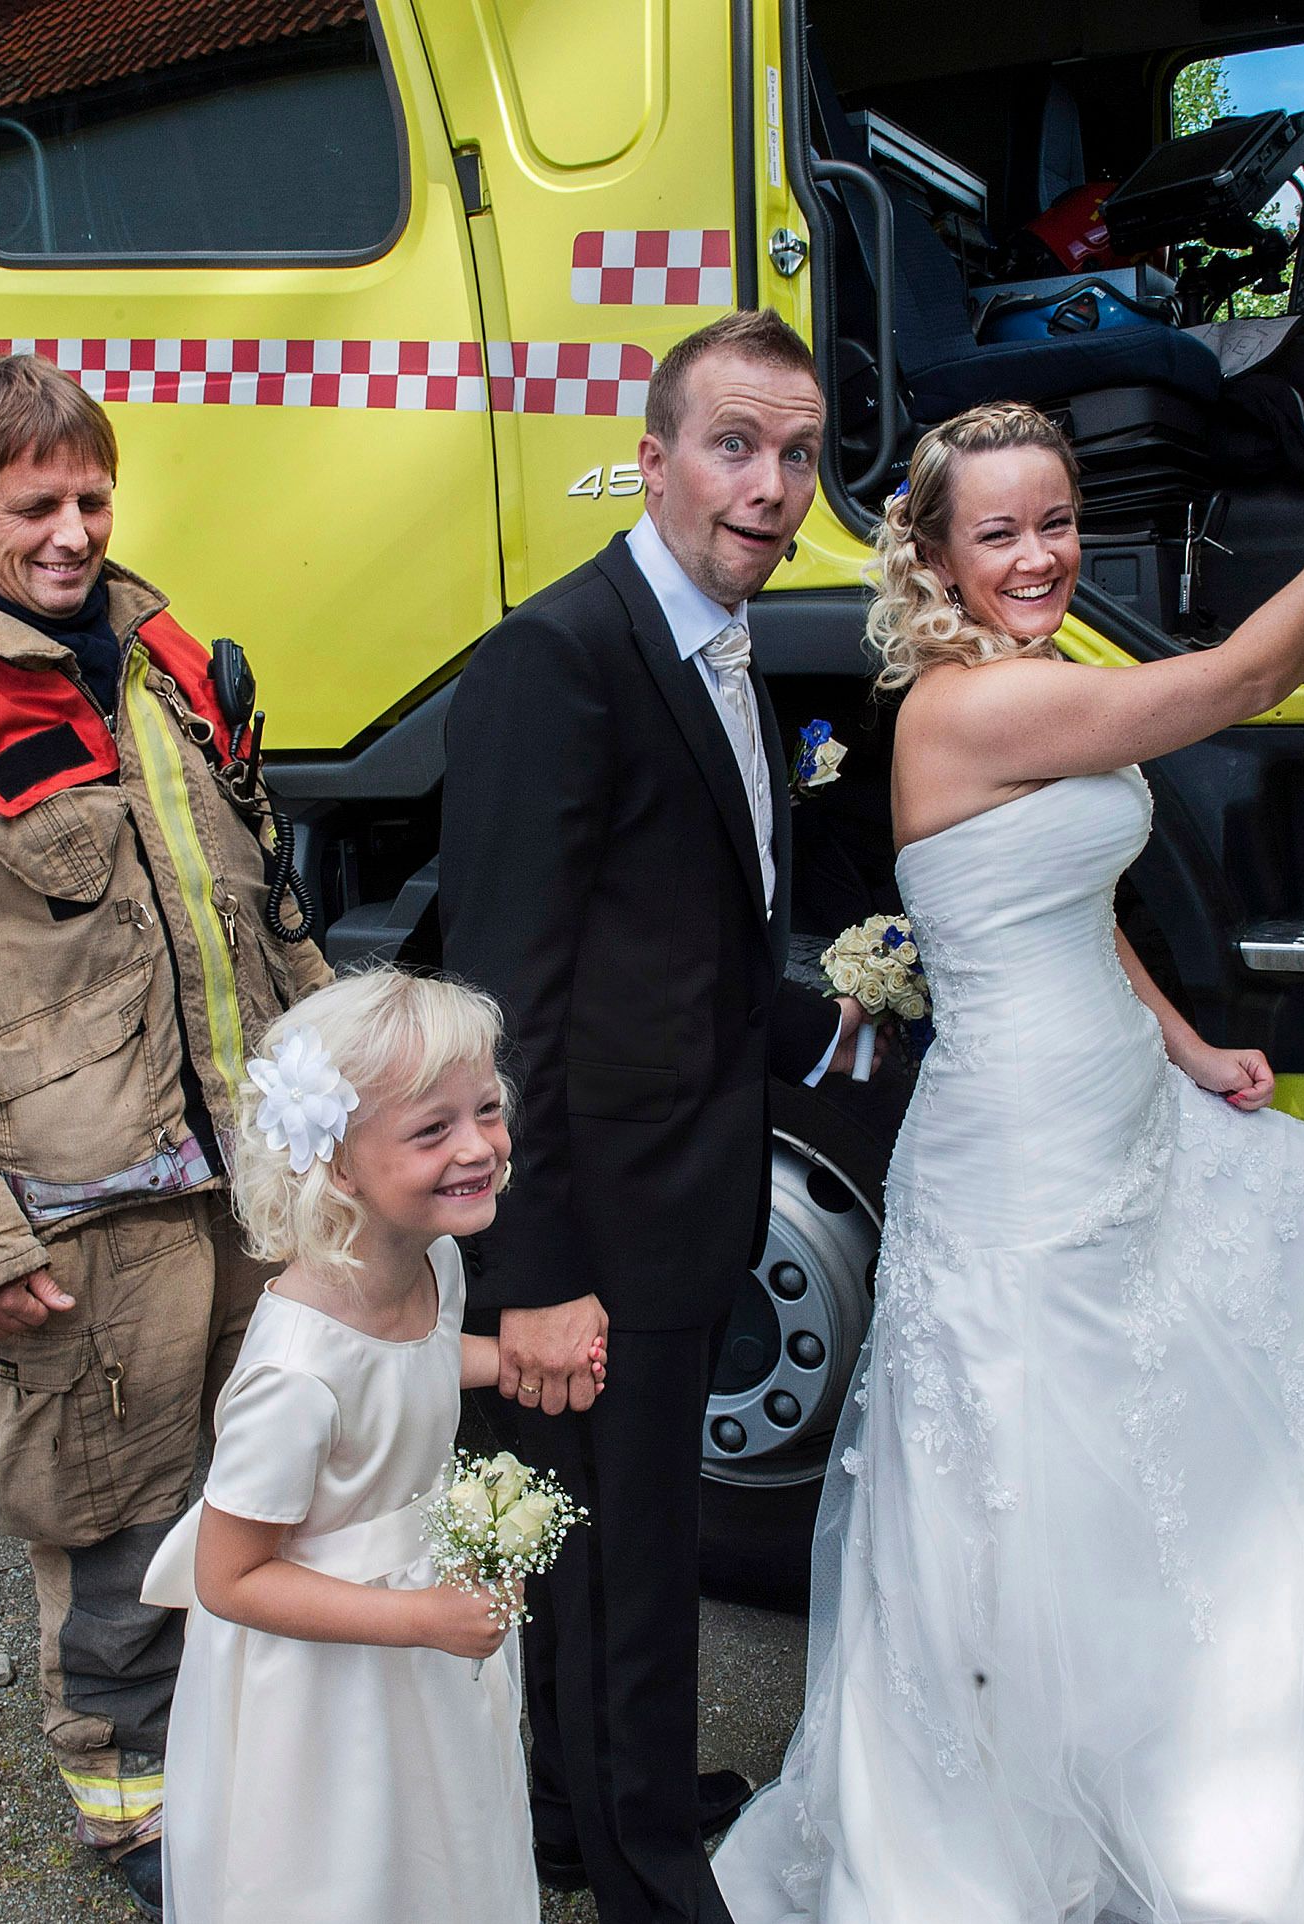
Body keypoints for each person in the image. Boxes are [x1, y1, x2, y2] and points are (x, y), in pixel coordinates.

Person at [713, 402, 1304, 1924]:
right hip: (1023, 1158)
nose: (1039, 555)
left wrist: (1190, 1049)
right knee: (1025, 1490)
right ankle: (979, 1834)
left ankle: (1126, 1758)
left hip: (1121, 1113)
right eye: (999, 532)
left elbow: (1077, 909)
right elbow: (1242, 678)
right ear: (935, 559)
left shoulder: (1032, 684)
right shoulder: (969, 707)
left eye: (1057, 521)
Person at [0, 352, 332, 1911]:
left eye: (90, 497)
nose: (72, 532)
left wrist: (352, 1118)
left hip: (246, 1196)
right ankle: (137, 1819)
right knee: (114, 1530)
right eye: (33, 505)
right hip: (75, 1234)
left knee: (269, 1491)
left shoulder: (164, 663)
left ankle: (258, 1767)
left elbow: (265, 919)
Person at [438, 307, 871, 1924]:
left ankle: (584, 1809)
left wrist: (836, 1033)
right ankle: (650, 1878)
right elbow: (500, 999)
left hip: (683, 1197)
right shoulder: (560, 656)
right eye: (732, 445)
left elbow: (695, 938)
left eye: (797, 455)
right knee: (620, 1571)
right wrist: (534, 1272)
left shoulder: (722, 644)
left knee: (616, 1548)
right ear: (653, 459)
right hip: (596, 1223)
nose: (769, 486)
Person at [139, 969, 603, 1923]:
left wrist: (507, 1361)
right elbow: (230, 1579)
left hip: (419, 1620)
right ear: (339, 1164)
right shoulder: (291, 1377)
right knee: (348, 1865)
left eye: (486, 1109)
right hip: (325, 1670)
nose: (477, 1145)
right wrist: (423, 1619)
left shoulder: (433, 1261)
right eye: (432, 1130)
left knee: (438, 1841)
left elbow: (406, 1364)